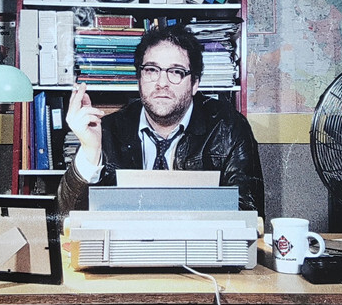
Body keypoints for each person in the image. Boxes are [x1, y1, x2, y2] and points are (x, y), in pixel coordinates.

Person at [58, 24, 264, 218]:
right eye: (151, 70)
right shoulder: (107, 131)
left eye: (176, 72)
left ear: (195, 84)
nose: (162, 83)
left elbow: (249, 217)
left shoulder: (228, 129)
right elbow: (66, 220)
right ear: (139, 79)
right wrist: (90, 151)